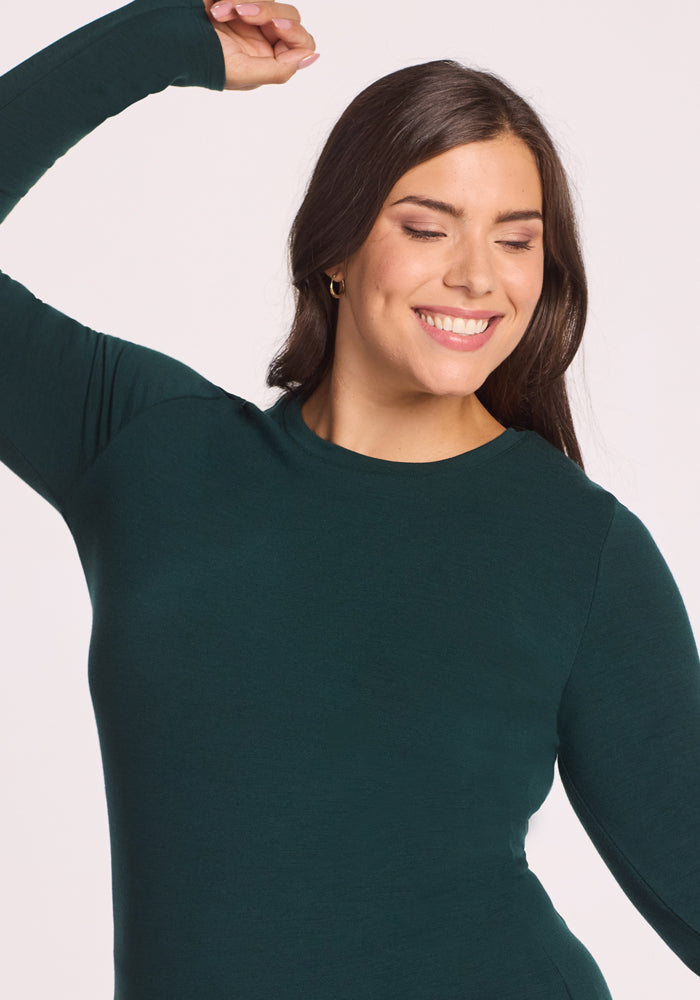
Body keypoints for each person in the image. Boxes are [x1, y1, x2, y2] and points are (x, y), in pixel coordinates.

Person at [0, 1, 698, 998]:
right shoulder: (149, 451)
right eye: (426, 226)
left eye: (515, 239)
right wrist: (160, 43)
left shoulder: (577, 548)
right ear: (334, 248)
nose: (474, 276)